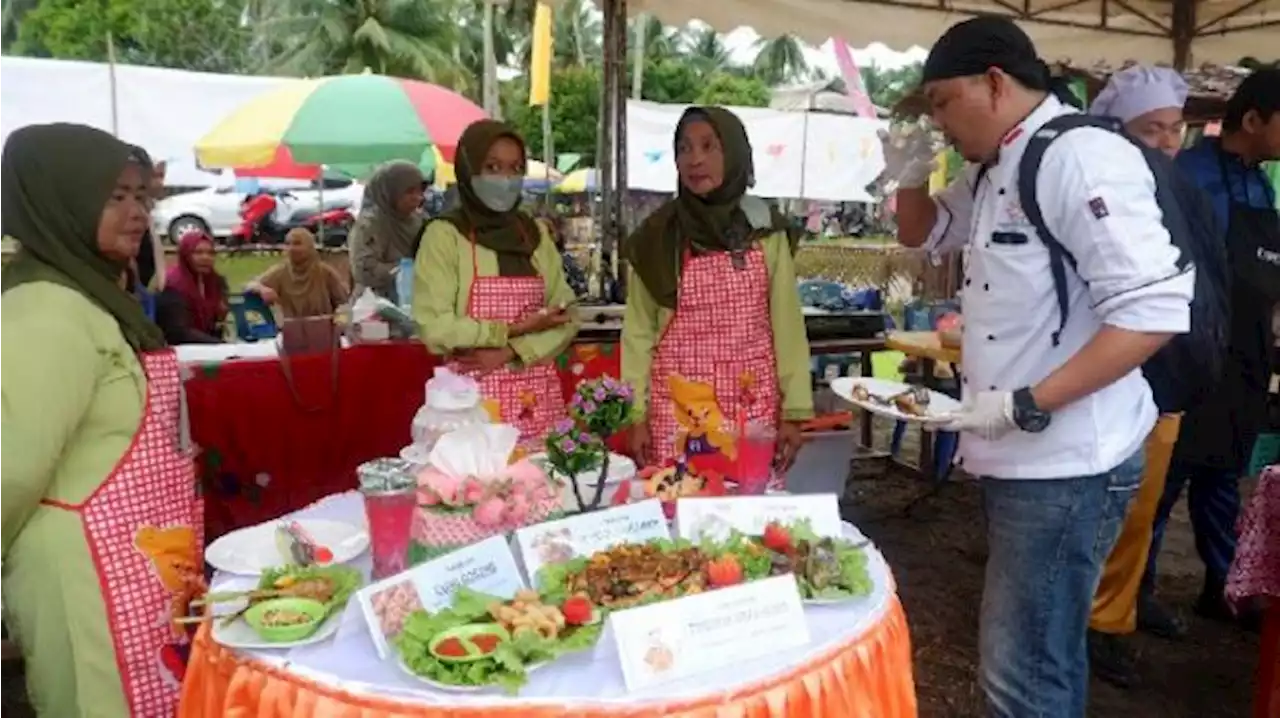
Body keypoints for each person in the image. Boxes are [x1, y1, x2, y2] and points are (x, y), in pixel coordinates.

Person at [884, 17, 1194, 716]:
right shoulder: (999, 162)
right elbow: (924, 233)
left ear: (994, 83)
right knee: (1030, 659)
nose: (937, 120)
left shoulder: (1076, 157)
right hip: (1021, 456)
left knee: (1023, 675)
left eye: (940, 101)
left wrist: (1028, 402)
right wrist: (905, 171)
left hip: (1066, 463)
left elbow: (1154, 312)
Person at [0, 124, 203, 717]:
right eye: (114, 197)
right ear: (59, 198)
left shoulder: (95, 293)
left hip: (136, 563)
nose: (137, 212)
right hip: (84, 578)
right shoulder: (46, 309)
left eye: (141, 196)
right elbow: (11, 467)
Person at [1143, 68, 1280, 635]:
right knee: (1164, 478)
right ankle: (1134, 592)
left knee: (1224, 475)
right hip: (1192, 347)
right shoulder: (1189, 176)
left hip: (1248, 352)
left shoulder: (1263, 184)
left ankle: (1223, 586)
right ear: (1252, 120)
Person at [1080, 65, 1202, 687]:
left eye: (1174, 128)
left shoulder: (1179, 186)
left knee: (1141, 512)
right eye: (1151, 129)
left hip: (1169, 377)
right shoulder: (1104, 187)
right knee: (1109, 510)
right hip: (1116, 374)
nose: (1167, 141)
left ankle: (1113, 619)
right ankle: (1093, 622)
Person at [621, 107, 812, 482]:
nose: (695, 160)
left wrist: (796, 411)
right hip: (676, 410)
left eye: (710, 147)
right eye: (684, 148)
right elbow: (638, 334)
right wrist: (635, 415)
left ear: (735, 154)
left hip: (750, 406)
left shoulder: (766, 231)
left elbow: (787, 326)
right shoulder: (657, 237)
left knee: (746, 511)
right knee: (678, 506)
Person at [412, 120, 578, 445]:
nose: (505, 180)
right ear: (468, 169)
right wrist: (513, 329)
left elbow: (567, 314)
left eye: (515, 169)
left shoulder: (534, 234)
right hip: (469, 404)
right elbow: (436, 328)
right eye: (492, 167)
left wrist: (511, 350)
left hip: (539, 403)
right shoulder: (444, 235)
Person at [350, 160, 426, 300]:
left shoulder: (420, 221)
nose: (417, 198)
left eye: (420, 191)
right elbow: (364, 271)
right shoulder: (370, 225)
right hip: (375, 304)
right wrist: (405, 271)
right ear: (389, 192)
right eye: (409, 192)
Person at [246, 227, 350, 318]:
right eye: (288, 244)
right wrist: (263, 289)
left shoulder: (325, 272)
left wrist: (339, 325)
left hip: (323, 330)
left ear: (310, 247)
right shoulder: (281, 271)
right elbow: (249, 285)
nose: (291, 248)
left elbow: (344, 304)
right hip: (291, 331)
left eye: (297, 243)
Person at [156, 228, 228, 344]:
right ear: (185, 255)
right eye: (198, 252)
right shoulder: (173, 285)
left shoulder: (215, 282)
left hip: (210, 346)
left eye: (210, 253)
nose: (205, 258)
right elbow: (179, 333)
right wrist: (219, 345)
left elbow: (217, 324)